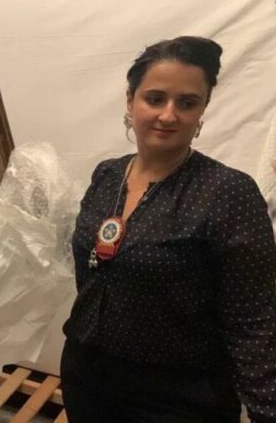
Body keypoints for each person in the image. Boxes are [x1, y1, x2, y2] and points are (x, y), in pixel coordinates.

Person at [61, 36, 276, 423]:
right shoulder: (107, 175)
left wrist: (266, 409)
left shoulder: (228, 192)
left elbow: (254, 320)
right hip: (87, 377)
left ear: (202, 110)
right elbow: (92, 272)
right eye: (155, 98)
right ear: (131, 100)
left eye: (187, 103)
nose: (168, 115)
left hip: (176, 396)